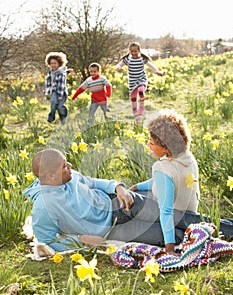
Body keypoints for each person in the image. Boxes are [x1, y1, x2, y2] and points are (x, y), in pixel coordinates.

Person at [23, 148, 202, 255]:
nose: (70, 166)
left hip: (117, 203)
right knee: (168, 236)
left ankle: (221, 227)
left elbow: (93, 182)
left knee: (177, 217)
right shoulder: (44, 208)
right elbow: (46, 243)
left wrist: (118, 188)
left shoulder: (70, 176)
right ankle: (201, 236)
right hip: (113, 232)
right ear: (50, 176)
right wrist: (81, 240)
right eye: (64, 166)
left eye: (67, 162)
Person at [128, 109, 200, 255]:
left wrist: (170, 249)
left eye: (152, 143)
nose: (148, 145)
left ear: (166, 147)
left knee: (129, 221)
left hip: (174, 220)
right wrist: (138, 186)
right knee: (137, 195)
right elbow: (168, 182)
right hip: (189, 214)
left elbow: (166, 211)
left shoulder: (163, 169)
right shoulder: (186, 157)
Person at [116, 42, 163, 125]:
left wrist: (157, 71)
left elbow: (150, 65)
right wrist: (119, 68)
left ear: (139, 51)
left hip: (141, 79)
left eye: (135, 51)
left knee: (141, 89)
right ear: (129, 51)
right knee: (133, 99)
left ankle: (142, 96)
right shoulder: (128, 59)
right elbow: (119, 65)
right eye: (132, 51)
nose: (133, 53)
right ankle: (137, 117)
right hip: (132, 81)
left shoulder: (142, 59)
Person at [44, 52, 73, 125]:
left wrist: (60, 96)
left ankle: (63, 118)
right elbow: (50, 80)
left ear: (59, 64)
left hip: (61, 92)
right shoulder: (51, 71)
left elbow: (61, 84)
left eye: (55, 63)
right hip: (54, 91)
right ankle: (51, 118)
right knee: (54, 103)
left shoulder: (61, 73)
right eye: (51, 63)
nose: (53, 65)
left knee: (60, 107)